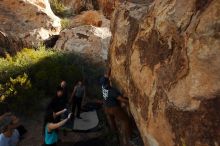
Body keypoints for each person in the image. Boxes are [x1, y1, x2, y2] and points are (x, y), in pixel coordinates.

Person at [100, 71, 132, 146]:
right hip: (114, 108)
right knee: (126, 121)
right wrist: (130, 102)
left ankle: (115, 135)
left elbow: (106, 76)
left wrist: (109, 70)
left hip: (107, 108)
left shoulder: (102, 87)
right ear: (108, 82)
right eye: (108, 79)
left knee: (113, 122)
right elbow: (121, 99)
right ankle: (130, 138)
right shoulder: (112, 91)